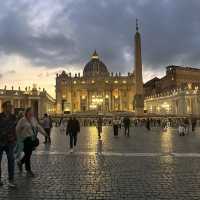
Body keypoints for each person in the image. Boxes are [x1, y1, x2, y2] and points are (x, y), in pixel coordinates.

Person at [16, 108, 46, 177]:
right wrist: (19, 139)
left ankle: (20, 163)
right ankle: (28, 170)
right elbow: (17, 129)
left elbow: (38, 127)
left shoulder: (33, 120)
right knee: (28, 154)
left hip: (32, 139)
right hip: (25, 139)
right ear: (26, 112)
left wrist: (44, 133)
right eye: (30, 112)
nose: (31, 113)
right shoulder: (22, 120)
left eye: (32, 112)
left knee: (28, 154)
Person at [0, 101, 17, 188]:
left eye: (11, 106)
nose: (11, 108)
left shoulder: (13, 117)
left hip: (10, 142)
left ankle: (11, 180)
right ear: (4, 107)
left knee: (11, 160)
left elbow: (15, 129)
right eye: (9, 106)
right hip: (0, 142)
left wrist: (15, 140)